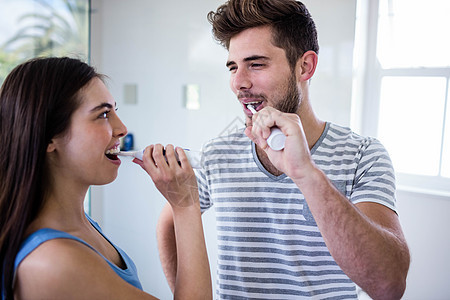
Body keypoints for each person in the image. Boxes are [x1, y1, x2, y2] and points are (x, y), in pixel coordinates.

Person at [156, 0, 411, 299]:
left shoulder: (363, 155)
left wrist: (306, 174)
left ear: (305, 66)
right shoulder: (218, 153)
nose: (239, 83)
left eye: (256, 64)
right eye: (233, 67)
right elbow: (169, 222)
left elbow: (389, 285)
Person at [0, 57, 212, 299]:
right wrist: (185, 205)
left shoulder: (83, 225)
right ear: (49, 137)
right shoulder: (53, 261)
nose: (122, 128)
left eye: (115, 112)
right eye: (103, 114)